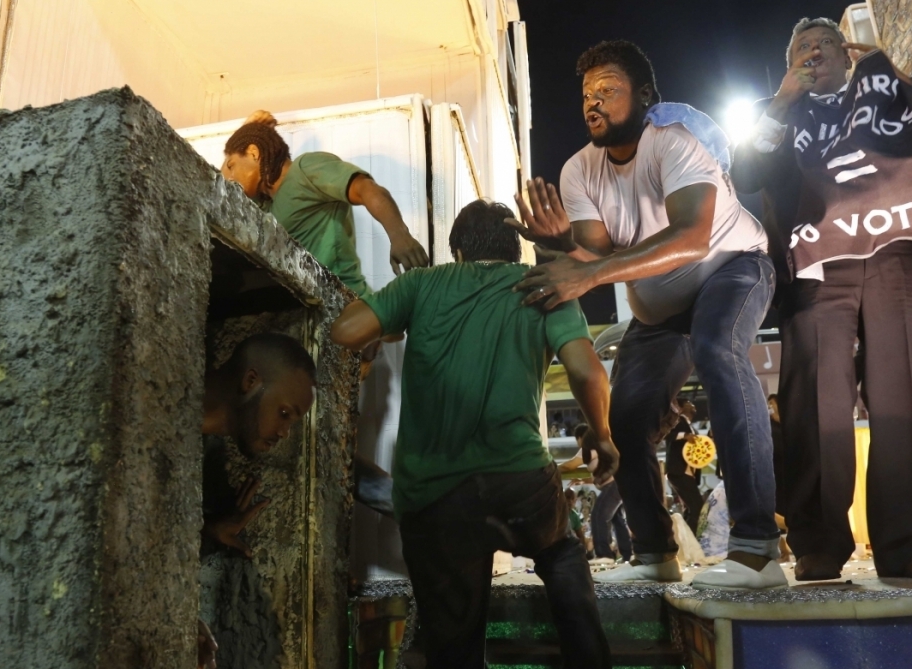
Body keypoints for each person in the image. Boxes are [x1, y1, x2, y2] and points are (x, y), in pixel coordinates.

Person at [507, 40, 784, 589]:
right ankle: (655, 554)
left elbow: (691, 236)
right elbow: (594, 255)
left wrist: (586, 271)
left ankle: (758, 550)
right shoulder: (578, 170)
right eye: (587, 93)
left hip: (730, 269)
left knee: (718, 351)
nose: (594, 101)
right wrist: (558, 246)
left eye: (609, 89)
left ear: (646, 96)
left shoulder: (674, 145)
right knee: (624, 420)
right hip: (659, 311)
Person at [731, 17, 912, 581]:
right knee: (816, 401)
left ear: (848, 54)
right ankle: (819, 544)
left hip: (895, 254)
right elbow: (745, 171)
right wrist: (781, 104)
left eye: (824, 44)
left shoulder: (887, 94)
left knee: (908, 395)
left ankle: (908, 547)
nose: (813, 53)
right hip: (819, 264)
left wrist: (899, 76)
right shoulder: (782, 113)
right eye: (800, 49)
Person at [331, 199, 618, 669]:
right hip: (520, 481)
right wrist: (602, 436)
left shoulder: (420, 284)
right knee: (562, 554)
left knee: (454, 644)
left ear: (458, 252)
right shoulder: (542, 286)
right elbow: (589, 373)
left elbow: (345, 330)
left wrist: (389, 324)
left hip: (434, 498)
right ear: (515, 250)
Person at [199, 332, 318, 667]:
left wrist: (209, 530)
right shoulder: (165, 412)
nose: (284, 433)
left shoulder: (207, 452)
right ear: (251, 381)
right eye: (284, 413)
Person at [221, 111, 429, 299]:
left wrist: (400, 235)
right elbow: (219, 193)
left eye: (231, 166)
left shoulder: (305, 169)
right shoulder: (263, 205)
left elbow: (367, 189)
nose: (229, 176)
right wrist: (245, 129)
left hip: (341, 303)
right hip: (303, 307)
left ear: (253, 153)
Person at [664, 401, 703, 531]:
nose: (692, 404)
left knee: (692, 507)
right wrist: (684, 435)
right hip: (679, 470)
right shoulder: (678, 421)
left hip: (687, 472)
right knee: (697, 506)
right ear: (680, 408)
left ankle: (686, 540)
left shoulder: (690, 426)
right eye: (687, 403)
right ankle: (691, 542)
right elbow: (666, 434)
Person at [590, 482, 632, 563]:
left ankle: (604, 554)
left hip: (615, 482)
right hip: (618, 483)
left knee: (599, 515)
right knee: (617, 518)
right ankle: (627, 555)